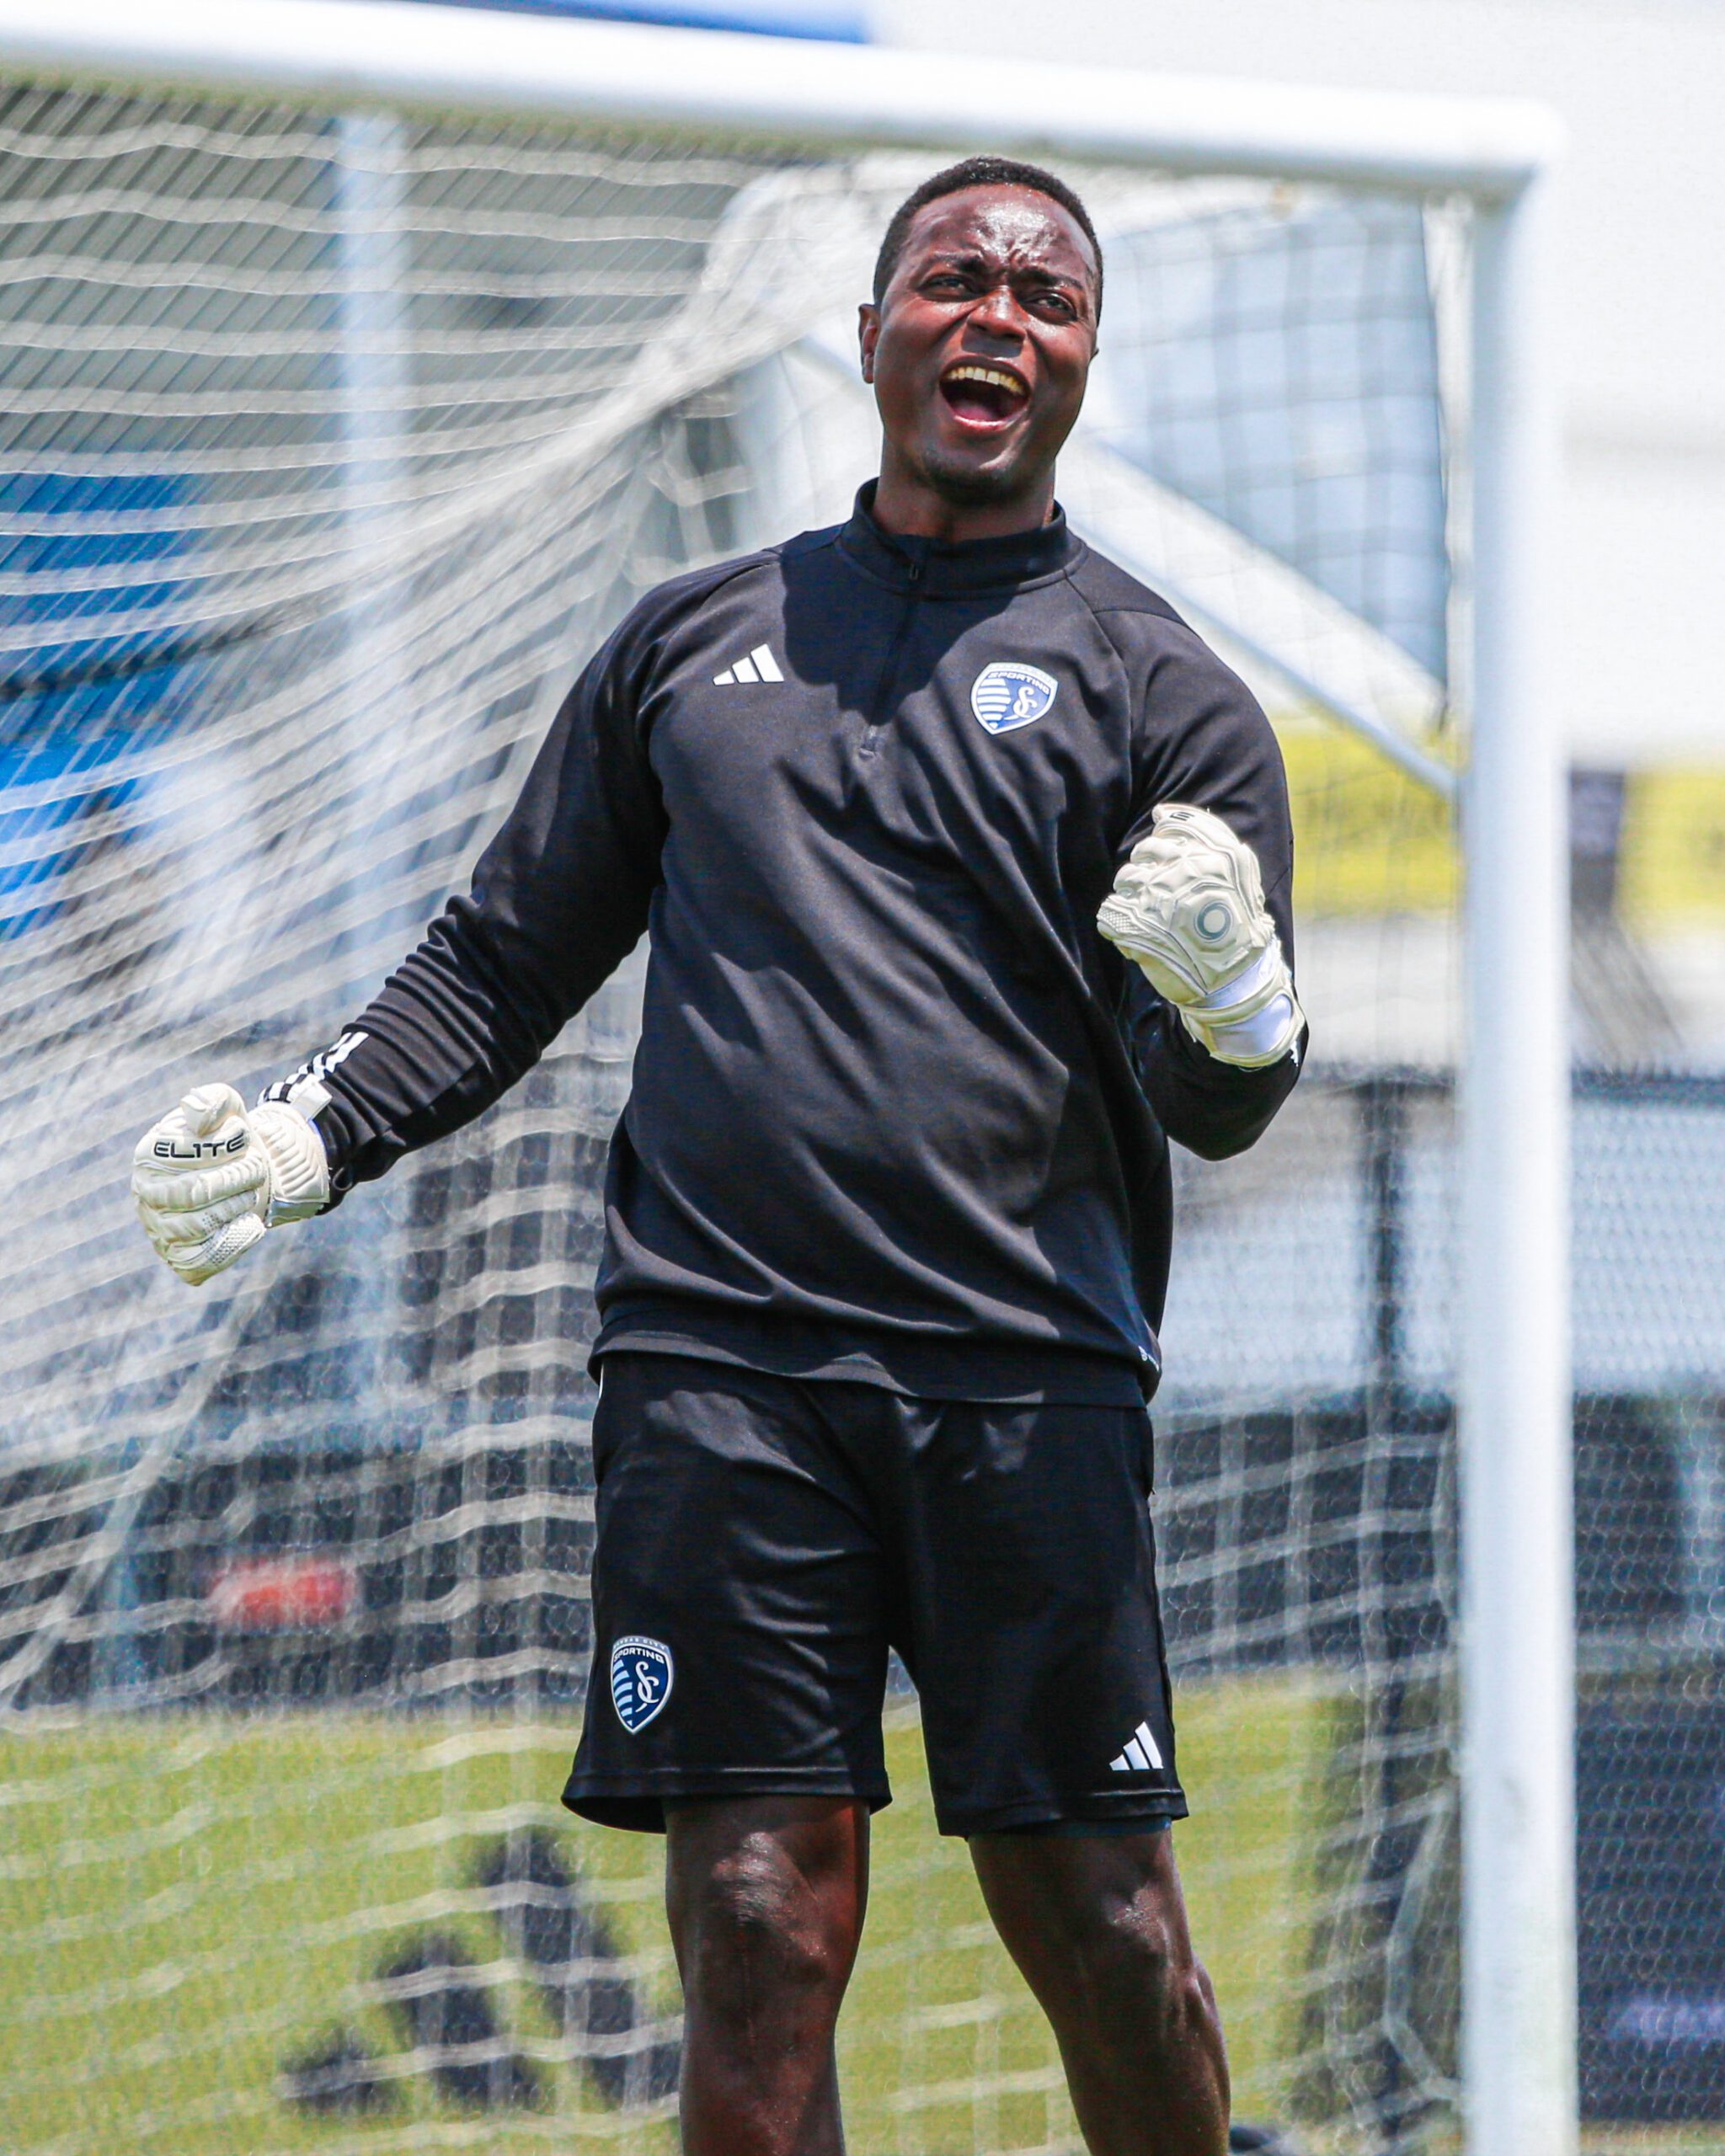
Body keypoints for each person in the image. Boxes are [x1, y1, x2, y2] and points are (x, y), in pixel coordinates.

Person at [132, 155, 1306, 2156]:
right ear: (870, 335)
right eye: (954, 282)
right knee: (758, 1919)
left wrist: (1243, 1006)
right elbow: (499, 958)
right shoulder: (690, 647)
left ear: (1084, 359)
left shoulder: (1166, 694)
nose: (996, 320)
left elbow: (1214, 1102)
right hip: (723, 1381)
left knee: (1111, 1938)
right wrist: (308, 1124)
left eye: (1044, 297)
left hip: (1024, 1386)